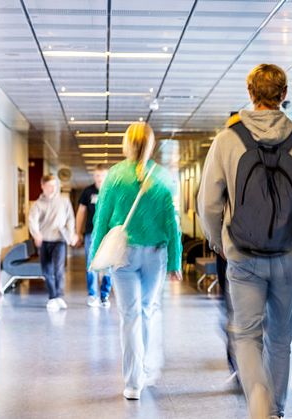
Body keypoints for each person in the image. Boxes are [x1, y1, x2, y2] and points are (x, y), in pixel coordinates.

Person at [197, 64, 292, 419]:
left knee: (247, 334)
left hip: (242, 254)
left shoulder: (227, 140)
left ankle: (257, 397)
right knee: (280, 339)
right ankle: (276, 410)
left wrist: (216, 239)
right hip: (285, 255)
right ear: (284, 95)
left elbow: (207, 202)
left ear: (250, 94)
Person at [90, 122, 183, 401]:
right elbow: (172, 225)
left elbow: (102, 220)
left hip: (123, 254)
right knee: (147, 311)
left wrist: (97, 259)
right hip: (155, 254)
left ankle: (133, 383)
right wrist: (175, 262)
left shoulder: (115, 176)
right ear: (152, 144)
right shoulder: (164, 178)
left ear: (126, 144)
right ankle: (145, 368)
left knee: (129, 316)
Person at [28, 174, 79, 312]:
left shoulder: (64, 201)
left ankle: (58, 296)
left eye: (54, 186)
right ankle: (52, 297)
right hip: (44, 241)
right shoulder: (38, 204)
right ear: (42, 186)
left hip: (60, 240)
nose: (52, 189)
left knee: (58, 269)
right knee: (47, 271)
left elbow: (70, 218)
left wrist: (72, 232)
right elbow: (32, 220)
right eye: (49, 186)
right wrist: (36, 234)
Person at [76, 164, 113, 308]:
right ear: (94, 176)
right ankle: (92, 295)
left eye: (102, 176)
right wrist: (77, 232)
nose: (99, 179)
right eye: (97, 176)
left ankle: (104, 295)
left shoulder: (113, 191)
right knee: (91, 265)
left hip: (109, 236)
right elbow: (81, 213)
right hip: (91, 234)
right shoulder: (88, 192)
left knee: (108, 267)